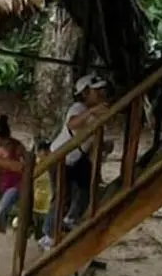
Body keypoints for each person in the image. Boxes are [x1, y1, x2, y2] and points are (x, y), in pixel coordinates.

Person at [39, 74, 111, 250]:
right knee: (62, 196)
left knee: (84, 189)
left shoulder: (96, 116)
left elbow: (93, 142)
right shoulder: (78, 108)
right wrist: (92, 111)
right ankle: (48, 234)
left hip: (76, 159)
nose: (100, 94)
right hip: (59, 157)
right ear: (85, 93)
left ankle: (70, 219)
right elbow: (72, 124)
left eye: (101, 91)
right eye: (96, 91)